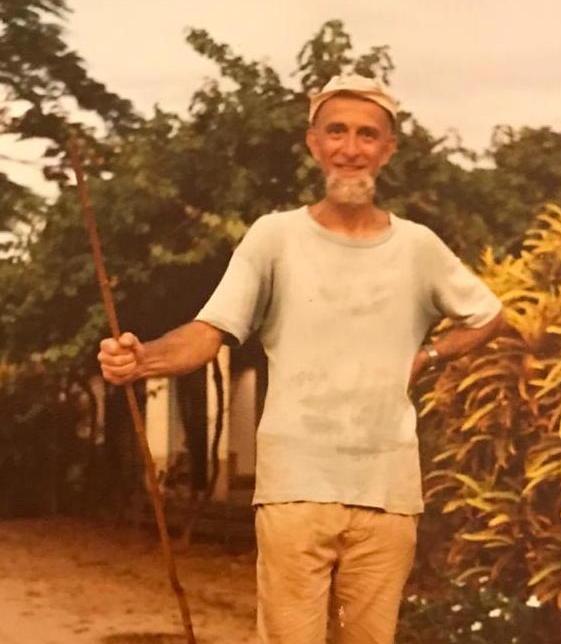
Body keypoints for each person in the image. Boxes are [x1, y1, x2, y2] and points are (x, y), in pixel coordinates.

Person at [98, 73, 503, 644]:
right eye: (335, 131)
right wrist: (142, 360)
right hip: (295, 489)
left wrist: (428, 353)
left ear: (387, 150)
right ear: (313, 142)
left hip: (387, 493)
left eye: (367, 134)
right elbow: (211, 330)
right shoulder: (274, 237)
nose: (350, 148)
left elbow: (488, 315)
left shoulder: (418, 247)